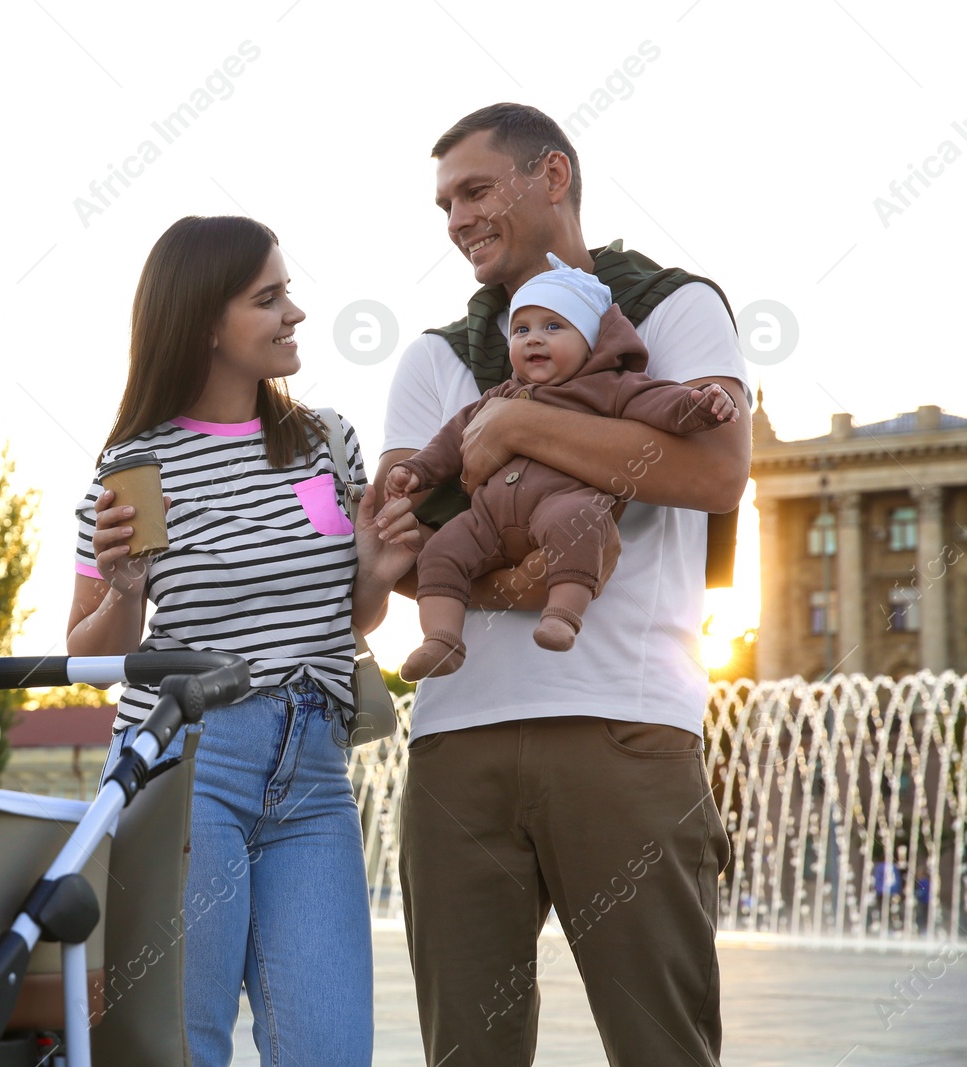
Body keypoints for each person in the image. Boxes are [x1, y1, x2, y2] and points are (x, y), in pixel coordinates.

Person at [373, 103, 749, 1066]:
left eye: (475, 189)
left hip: (623, 724)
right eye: (444, 202)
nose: (456, 219)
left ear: (553, 177)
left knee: (664, 1049)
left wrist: (518, 428)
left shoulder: (674, 308)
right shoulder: (436, 356)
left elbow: (711, 473)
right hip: (457, 746)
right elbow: (408, 554)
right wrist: (527, 571)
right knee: (467, 1053)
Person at [67, 214, 415, 1067]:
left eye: (288, 291)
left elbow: (351, 616)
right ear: (203, 324)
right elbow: (90, 655)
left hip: (314, 774)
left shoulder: (323, 442)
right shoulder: (136, 469)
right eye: (268, 298)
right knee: (184, 1049)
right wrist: (125, 591)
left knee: (330, 1051)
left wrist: (372, 572)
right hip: (189, 770)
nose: (294, 312)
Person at [385, 254, 739, 681]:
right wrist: (419, 471)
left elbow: (661, 404)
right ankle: (440, 638)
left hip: (561, 501)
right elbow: (452, 439)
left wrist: (702, 405)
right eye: (522, 329)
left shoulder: (609, 387)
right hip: (489, 517)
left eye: (553, 326)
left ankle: (562, 615)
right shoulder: (499, 395)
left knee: (580, 525)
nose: (534, 339)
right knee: (442, 550)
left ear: (591, 340)